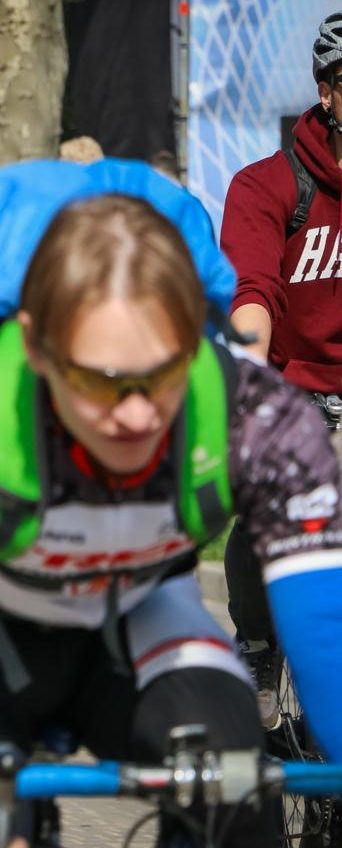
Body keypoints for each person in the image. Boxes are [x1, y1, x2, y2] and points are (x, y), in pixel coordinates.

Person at [0, 192, 342, 848]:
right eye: (100, 381)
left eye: (165, 376)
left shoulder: (260, 416)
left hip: (143, 617)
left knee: (238, 780)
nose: (136, 415)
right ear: (37, 350)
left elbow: (324, 624)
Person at [221, 11, 342, 729]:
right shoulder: (269, 184)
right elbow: (254, 293)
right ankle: (261, 643)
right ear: (329, 93)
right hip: (295, 392)